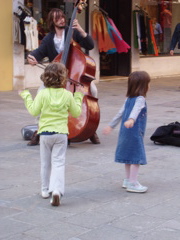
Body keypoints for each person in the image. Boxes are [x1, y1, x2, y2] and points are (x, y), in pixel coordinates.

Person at [27, 8, 100, 145]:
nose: (61, 19)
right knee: (40, 92)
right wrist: (31, 58)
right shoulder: (49, 39)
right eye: (57, 18)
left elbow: (90, 45)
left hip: (76, 77)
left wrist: (81, 30)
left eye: (62, 16)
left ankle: (90, 128)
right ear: (52, 21)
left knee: (93, 91)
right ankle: (39, 128)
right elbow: (37, 53)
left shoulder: (73, 32)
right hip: (55, 77)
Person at [19, 62, 84, 206]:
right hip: (61, 134)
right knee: (58, 163)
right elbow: (76, 112)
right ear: (63, 78)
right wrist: (78, 96)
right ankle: (57, 191)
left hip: (45, 134)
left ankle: (44, 189)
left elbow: (34, 111)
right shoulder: (67, 95)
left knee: (45, 163)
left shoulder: (42, 94)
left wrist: (26, 96)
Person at [103, 71, 151, 193]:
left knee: (128, 156)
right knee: (136, 157)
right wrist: (131, 119)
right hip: (134, 132)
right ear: (143, 86)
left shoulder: (129, 98)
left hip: (125, 131)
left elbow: (120, 113)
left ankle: (127, 179)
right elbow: (136, 110)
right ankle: (133, 183)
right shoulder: (140, 99)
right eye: (148, 84)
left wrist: (111, 125)